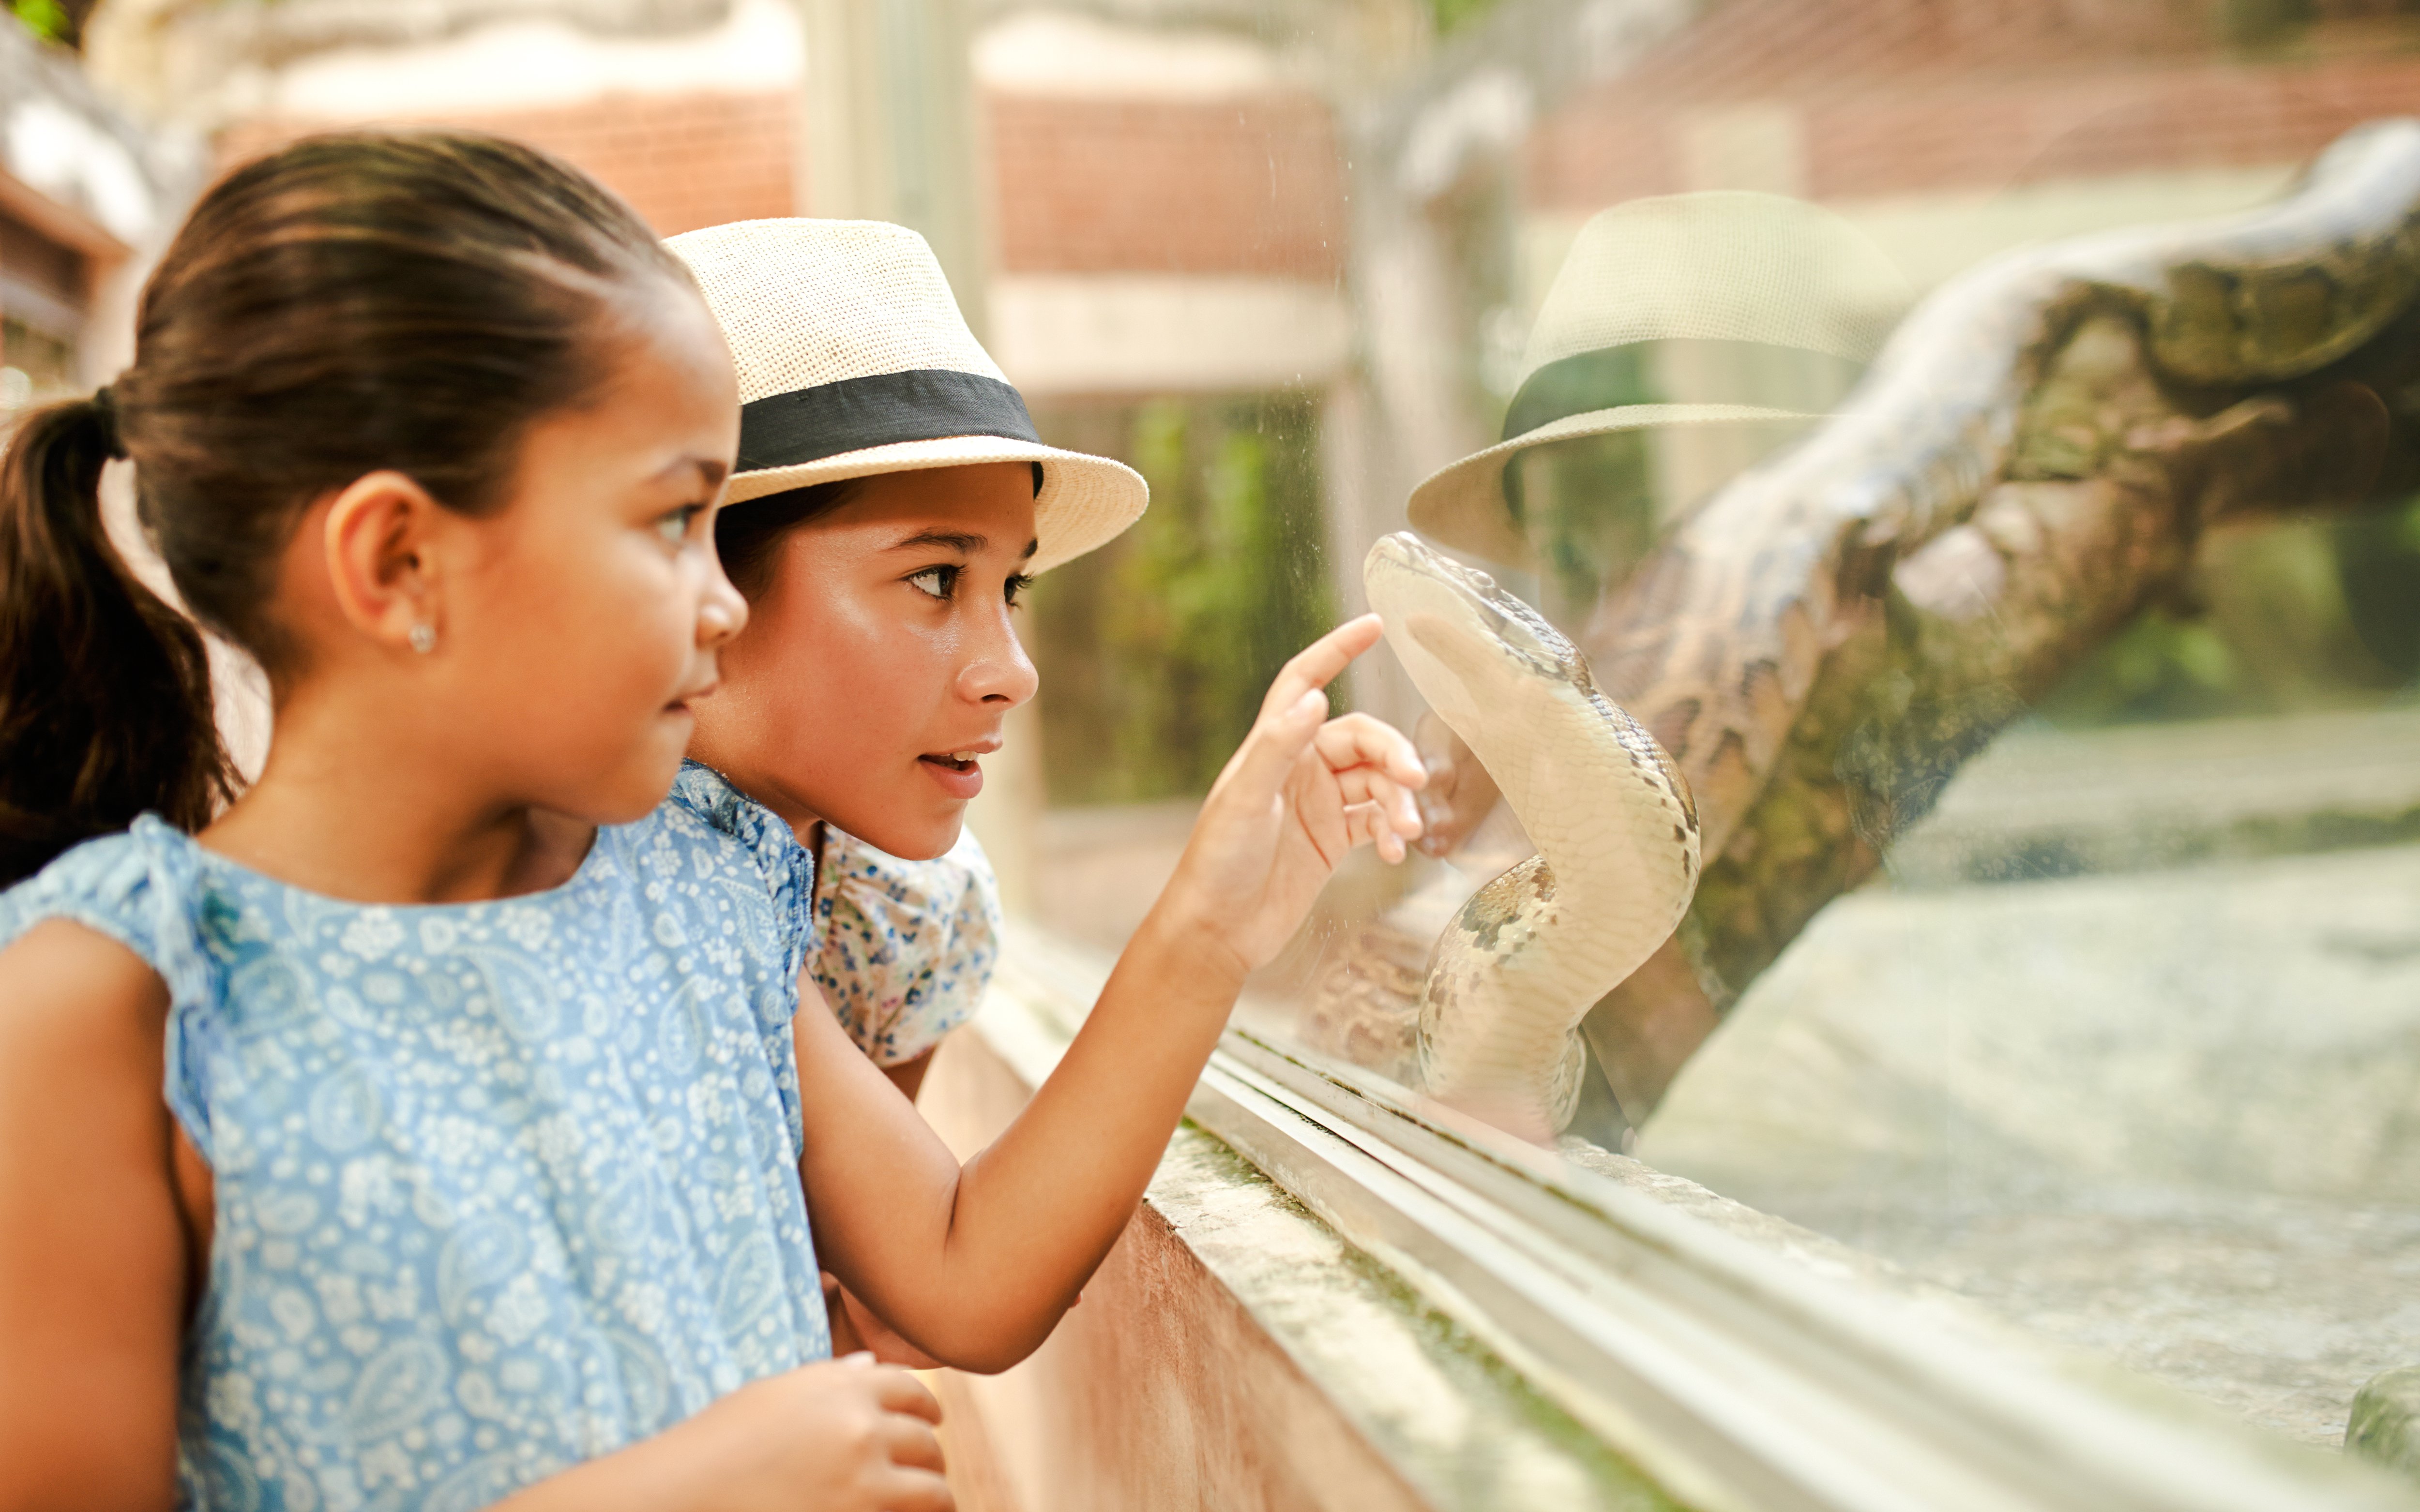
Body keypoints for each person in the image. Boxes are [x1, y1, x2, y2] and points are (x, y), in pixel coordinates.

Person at [0, 133, 1424, 1512]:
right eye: (673, 523)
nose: (723, 604)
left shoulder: (706, 895)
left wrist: (1214, 922)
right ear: (399, 561)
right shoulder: (104, 1008)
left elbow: (964, 1271)